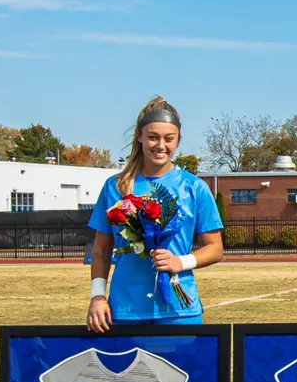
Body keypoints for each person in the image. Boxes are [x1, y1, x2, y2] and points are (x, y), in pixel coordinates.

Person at [87, 97, 225, 331]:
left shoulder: (194, 187)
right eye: (153, 137)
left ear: (178, 140)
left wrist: (179, 262)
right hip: (125, 309)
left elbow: (215, 248)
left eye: (169, 138)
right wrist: (97, 296)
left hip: (179, 310)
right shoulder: (115, 187)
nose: (161, 145)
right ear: (139, 137)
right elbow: (101, 247)